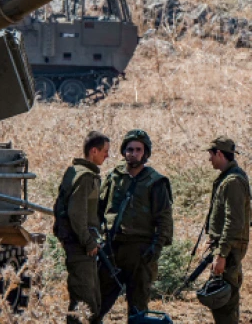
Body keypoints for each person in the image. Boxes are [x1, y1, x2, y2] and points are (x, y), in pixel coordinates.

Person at [98, 129, 174, 319]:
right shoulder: (114, 177)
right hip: (112, 248)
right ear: (124, 152)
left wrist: (155, 250)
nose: (133, 153)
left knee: (138, 310)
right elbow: (99, 209)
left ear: (146, 153)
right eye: (129, 149)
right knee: (97, 304)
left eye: (138, 150)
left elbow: (164, 219)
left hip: (140, 251)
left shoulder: (156, 182)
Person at [53, 131, 111, 324]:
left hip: (80, 245)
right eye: (105, 151)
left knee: (91, 301)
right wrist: (88, 241)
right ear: (93, 151)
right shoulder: (86, 176)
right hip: (80, 247)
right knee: (85, 304)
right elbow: (76, 213)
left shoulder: (76, 171)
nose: (107, 156)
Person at [204, 136, 252, 324]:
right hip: (225, 247)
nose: (209, 159)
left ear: (219, 153)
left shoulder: (232, 181)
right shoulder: (229, 178)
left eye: (211, 154)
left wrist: (222, 254)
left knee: (224, 304)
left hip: (228, 250)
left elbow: (234, 222)